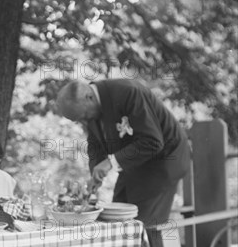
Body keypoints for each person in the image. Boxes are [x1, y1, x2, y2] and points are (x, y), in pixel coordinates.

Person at [55, 79, 190, 226]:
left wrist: (109, 163)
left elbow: (153, 142)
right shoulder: (89, 108)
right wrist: (95, 170)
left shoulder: (129, 92)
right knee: (115, 219)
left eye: (84, 116)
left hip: (164, 160)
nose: (84, 122)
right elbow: (95, 144)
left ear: (89, 97)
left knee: (140, 224)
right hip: (135, 162)